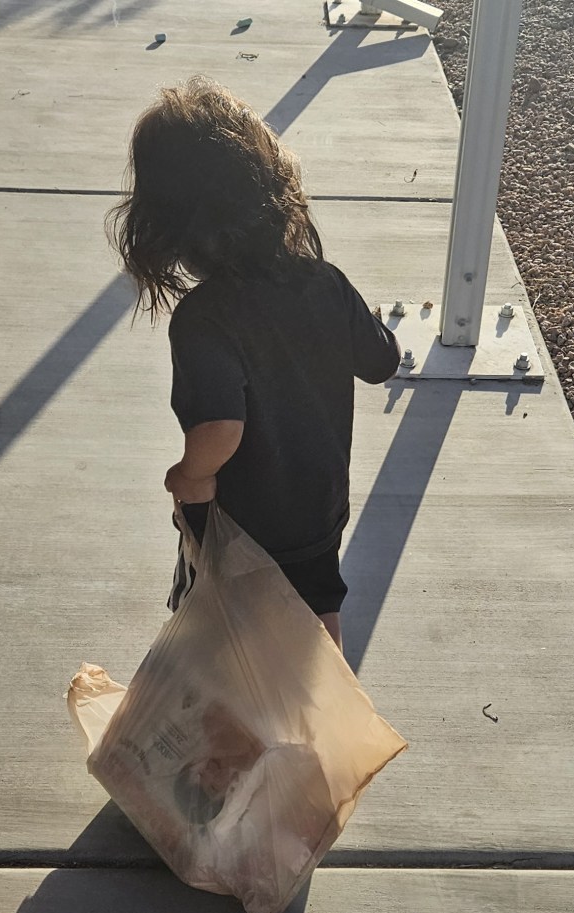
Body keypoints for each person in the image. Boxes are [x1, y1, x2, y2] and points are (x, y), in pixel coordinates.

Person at [108, 77, 400, 650]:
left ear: (166, 224)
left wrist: (191, 476)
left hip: (239, 522)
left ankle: (229, 709)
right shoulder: (325, 283)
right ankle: (323, 702)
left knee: (222, 634)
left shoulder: (204, 318)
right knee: (316, 615)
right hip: (316, 510)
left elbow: (221, 427)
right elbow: (381, 362)